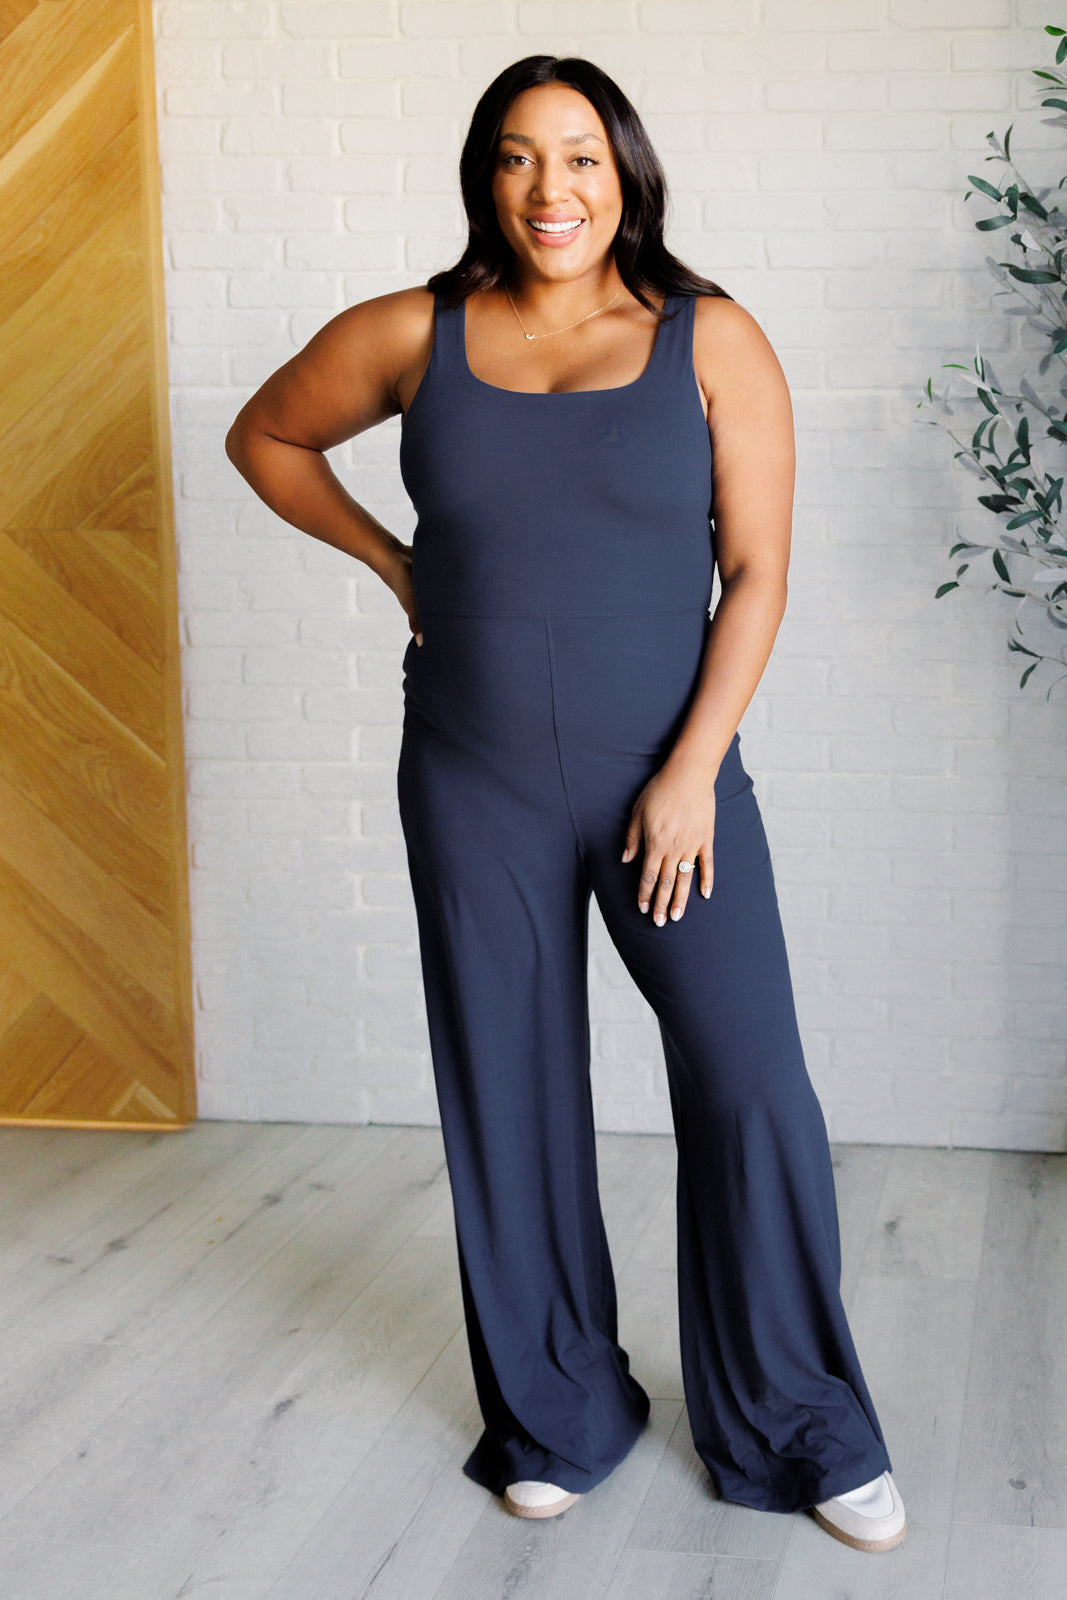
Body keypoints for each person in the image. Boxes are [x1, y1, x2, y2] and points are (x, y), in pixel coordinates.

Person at [225, 54, 906, 1554]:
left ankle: (801, 1423)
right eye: (521, 157)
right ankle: (558, 1410)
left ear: (627, 173)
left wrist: (692, 771)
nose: (553, 189)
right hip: (470, 778)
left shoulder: (710, 337)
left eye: (582, 157)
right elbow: (265, 436)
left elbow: (759, 574)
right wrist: (396, 564)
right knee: (510, 1092)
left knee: (750, 1085)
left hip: (669, 780)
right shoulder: (414, 333)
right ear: (486, 175)